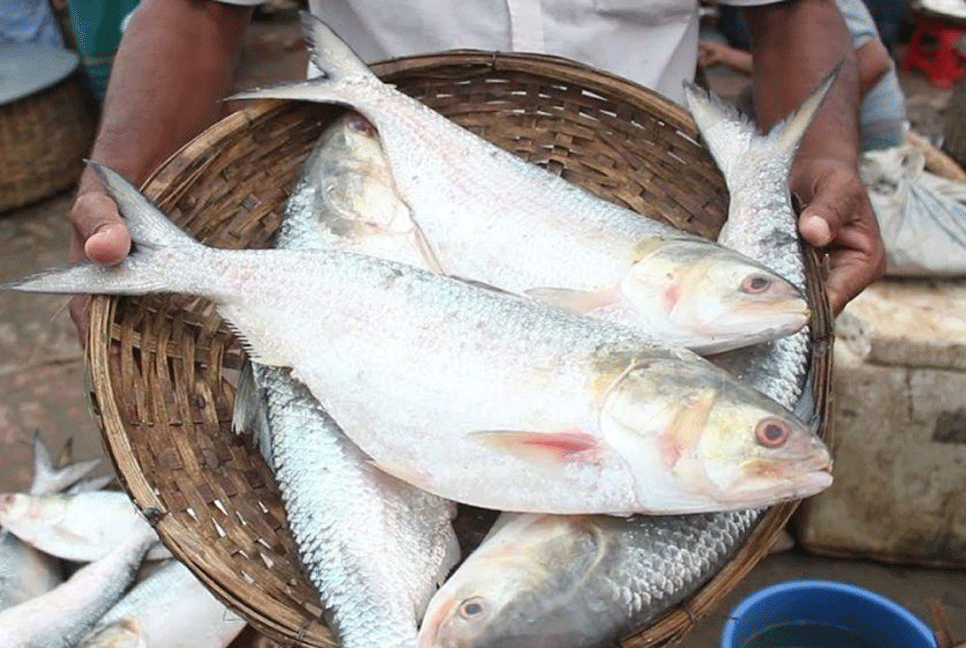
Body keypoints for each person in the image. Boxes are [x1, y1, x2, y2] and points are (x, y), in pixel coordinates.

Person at [68, 0, 886, 341]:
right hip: (374, 216)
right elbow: (196, 8)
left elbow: (794, 11)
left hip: (650, 220)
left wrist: (821, 162)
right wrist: (123, 188)